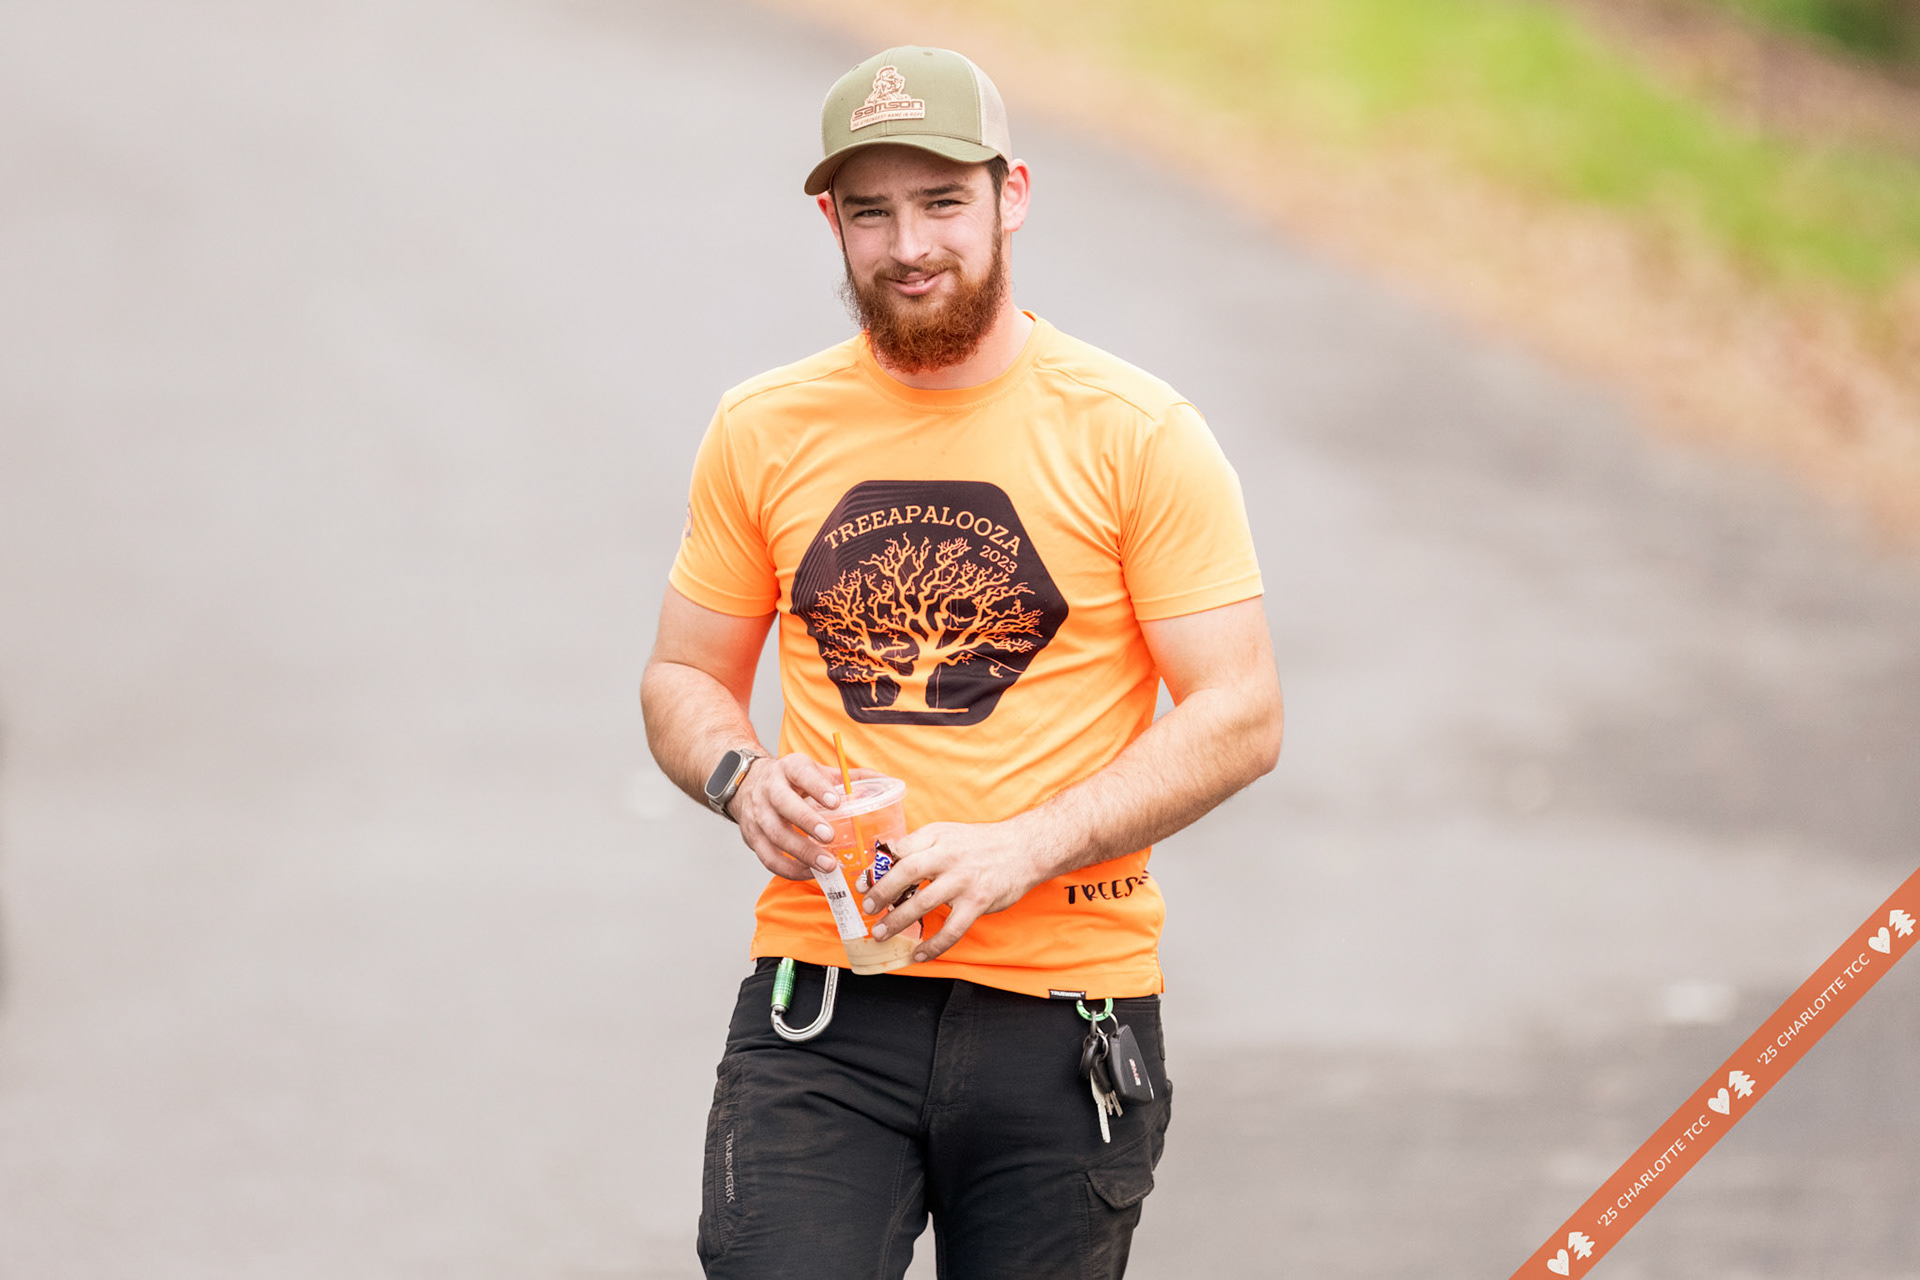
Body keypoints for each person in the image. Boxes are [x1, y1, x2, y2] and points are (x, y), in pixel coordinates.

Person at [640, 44, 1283, 1280]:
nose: (908, 243)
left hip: (1067, 1019)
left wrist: (1022, 843)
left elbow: (1242, 711)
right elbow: (682, 676)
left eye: (941, 200)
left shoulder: (1137, 433)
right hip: (822, 1003)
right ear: (830, 221)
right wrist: (736, 774)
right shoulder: (763, 427)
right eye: (871, 210)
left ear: (1012, 195)